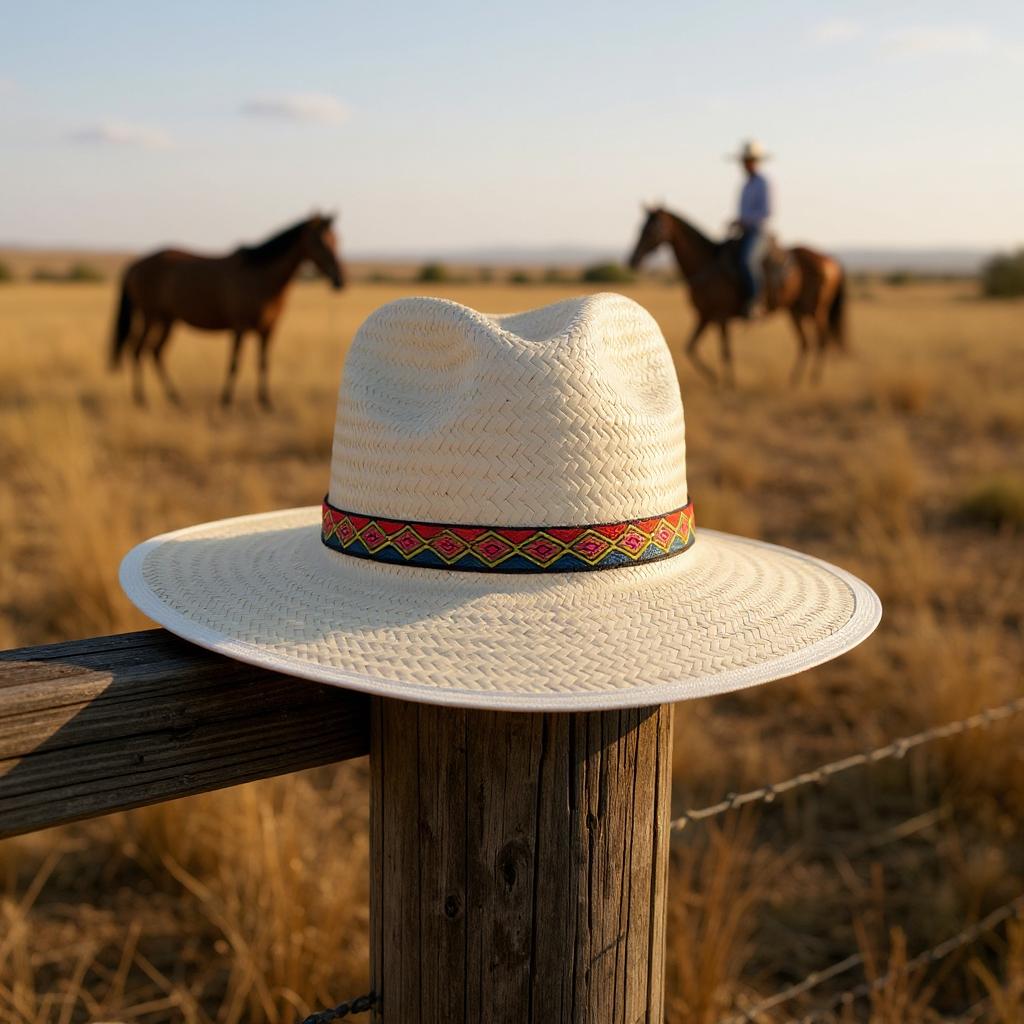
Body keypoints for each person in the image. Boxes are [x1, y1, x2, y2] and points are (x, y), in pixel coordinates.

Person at [730, 140, 772, 318]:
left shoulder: (763, 183)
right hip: (743, 232)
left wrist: (744, 221)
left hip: (757, 232)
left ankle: (756, 301)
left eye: (749, 160)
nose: (745, 164)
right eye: (744, 160)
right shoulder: (746, 184)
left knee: (747, 261)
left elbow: (765, 212)